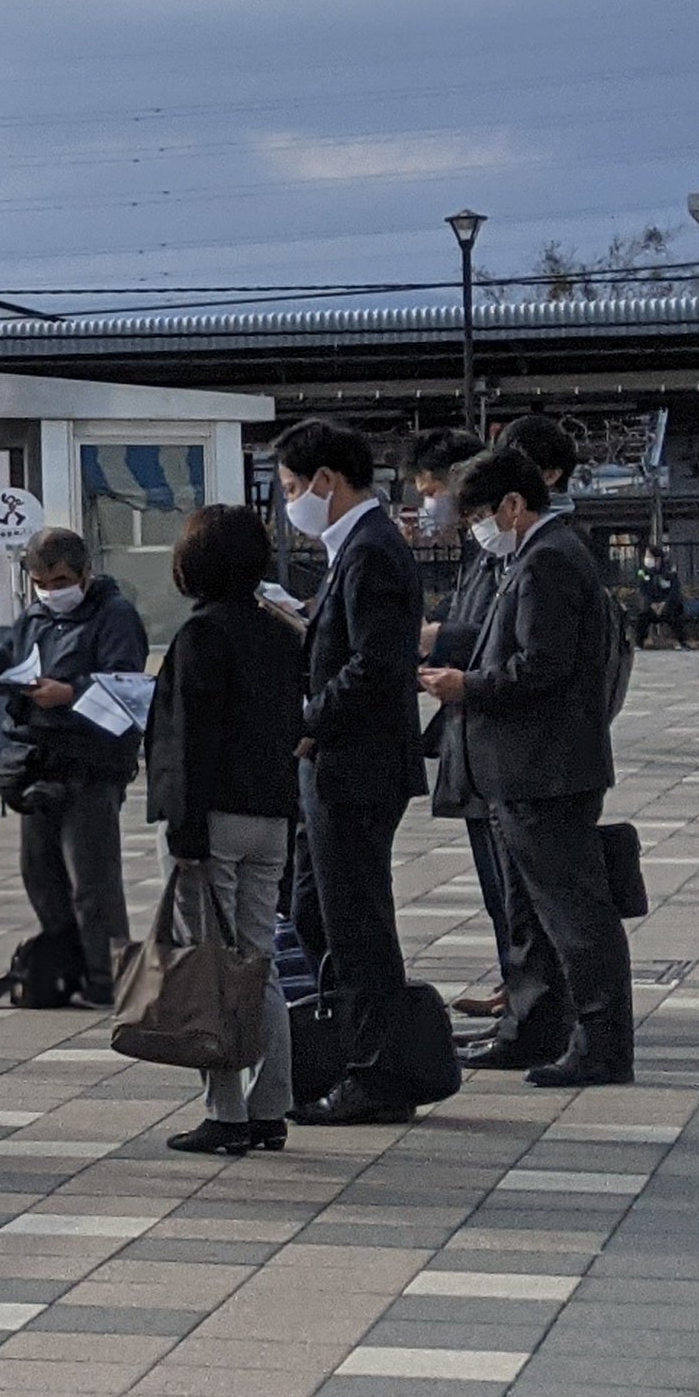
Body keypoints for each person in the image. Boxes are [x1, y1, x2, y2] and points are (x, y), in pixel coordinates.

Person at [424, 444, 633, 1085]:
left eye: (482, 515)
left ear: (515, 506)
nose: (477, 531)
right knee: (531, 914)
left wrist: (468, 685)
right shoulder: (534, 557)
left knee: (574, 916)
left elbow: (543, 667)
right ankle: (533, 1028)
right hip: (525, 771)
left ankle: (600, 1043)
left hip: (546, 770)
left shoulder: (548, 562)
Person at [278, 417, 426, 1127]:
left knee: (359, 924)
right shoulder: (355, 550)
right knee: (322, 915)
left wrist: (308, 715)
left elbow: (376, 663)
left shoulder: (371, 550)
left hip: (357, 766)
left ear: (326, 481)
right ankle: (340, 1053)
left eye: (291, 488)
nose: (290, 503)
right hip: (338, 764)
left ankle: (378, 1073)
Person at [147, 503, 306, 1152]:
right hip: (271, 814)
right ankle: (273, 1101)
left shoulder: (200, 635)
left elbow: (187, 742)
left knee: (213, 965)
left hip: (209, 819)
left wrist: (182, 832)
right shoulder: (278, 632)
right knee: (259, 960)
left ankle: (226, 1109)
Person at [0, 528, 149, 1004]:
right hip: (37, 757)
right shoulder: (34, 616)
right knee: (41, 873)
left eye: (59, 581)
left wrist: (70, 693)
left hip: (90, 762)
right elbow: (16, 666)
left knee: (92, 880)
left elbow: (126, 687)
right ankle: (65, 963)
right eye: (41, 582)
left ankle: (107, 977)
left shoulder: (114, 615)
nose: (51, 592)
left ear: (84, 573)